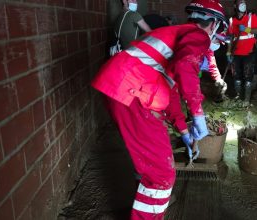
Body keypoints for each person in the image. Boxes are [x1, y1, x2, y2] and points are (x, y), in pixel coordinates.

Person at [91, 0, 228, 219]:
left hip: (121, 89)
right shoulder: (198, 35)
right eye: (219, 29)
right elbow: (186, 67)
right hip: (131, 92)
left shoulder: (175, 33)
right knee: (162, 172)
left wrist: (184, 131)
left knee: (150, 156)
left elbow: (171, 92)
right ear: (213, 24)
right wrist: (197, 113)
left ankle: (148, 197)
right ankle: (150, 208)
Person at [226, 0, 257, 107]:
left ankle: (246, 100)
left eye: (244, 2)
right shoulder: (232, 20)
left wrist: (247, 29)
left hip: (249, 53)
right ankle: (238, 97)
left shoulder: (251, 16)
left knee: (248, 77)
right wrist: (228, 52)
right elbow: (230, 37)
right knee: (236, 77)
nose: (243, 4)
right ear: (235, 6)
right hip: (236, 53)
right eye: (240, 2)